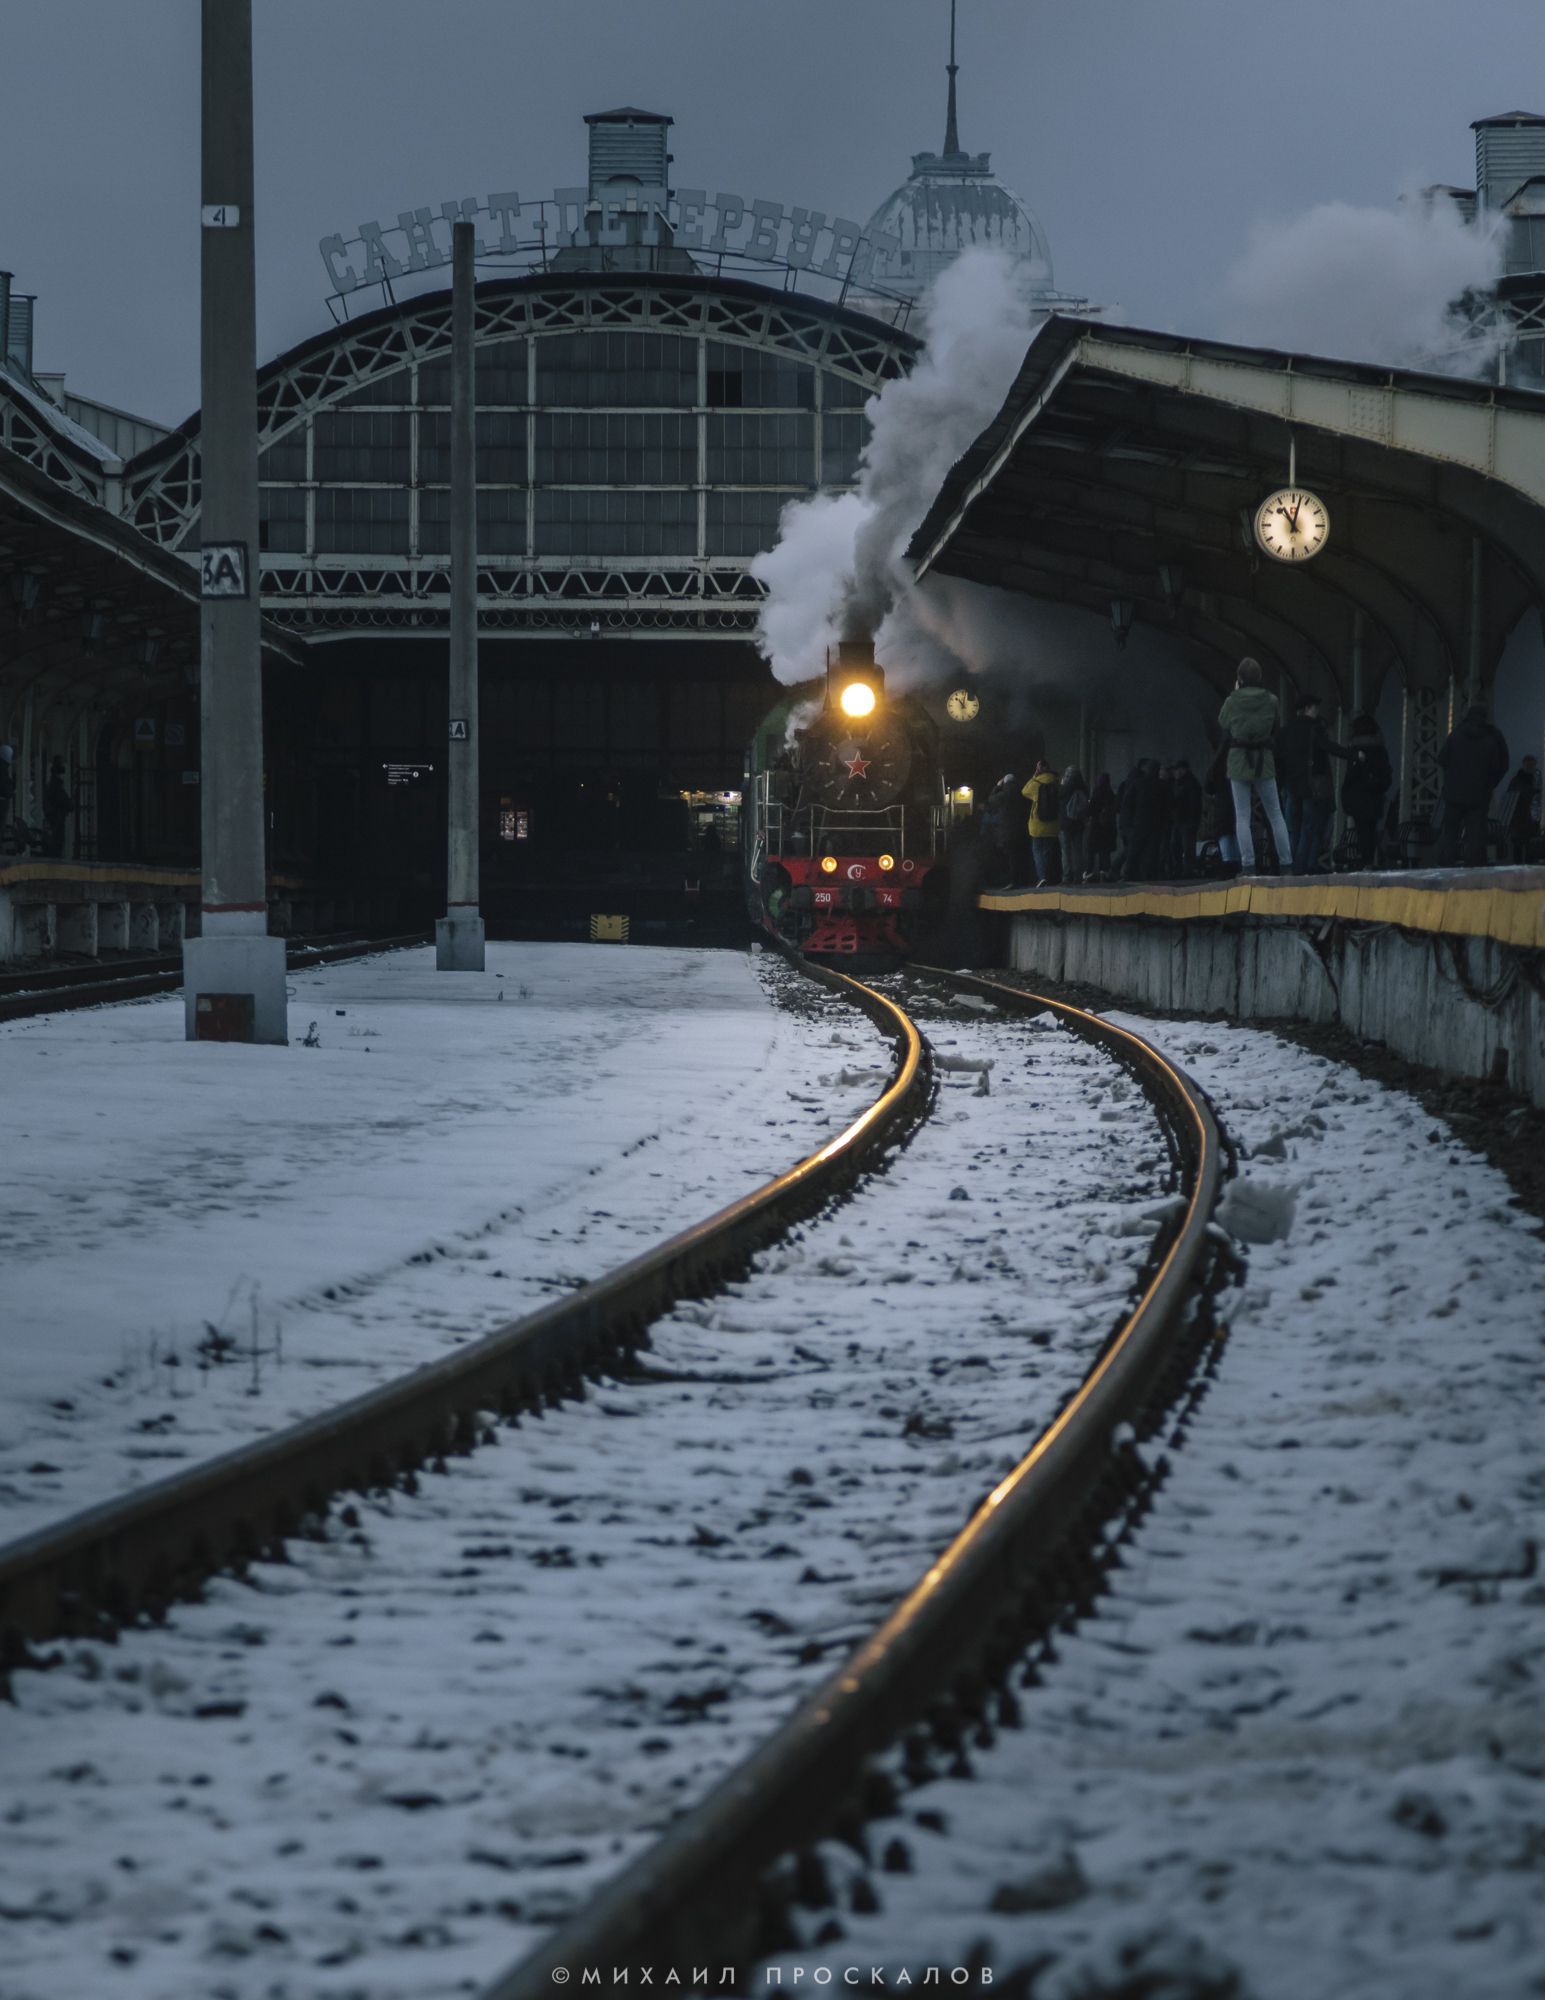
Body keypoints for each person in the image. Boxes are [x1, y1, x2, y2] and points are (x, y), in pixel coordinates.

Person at [1216, 658, 1291, 876]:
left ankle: (1248, 866)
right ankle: (1287, 863)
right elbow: (1276, 724)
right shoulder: (1272, 700)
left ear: (1239, 679)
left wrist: (1234, 693)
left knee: (1242, 816)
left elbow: (1223, 722)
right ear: (1259, 677)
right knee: (1275, 814)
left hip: (1239, 760)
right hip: (1264, 760)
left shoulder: (1232, 701)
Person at [1276, 694, 1355, 875]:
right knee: (1308, 828)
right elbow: (1329, 747)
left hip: (1290, 787)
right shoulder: (1314, 729)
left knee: (1292, 829)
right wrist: (1352, 755)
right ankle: (1300, 867)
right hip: (1310, 787)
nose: (1317, 711)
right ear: (1308, 709)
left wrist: (1280, 784)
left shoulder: (1285, 731)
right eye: (1315, 707)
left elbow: (1278, 760)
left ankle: (1288, 865)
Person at [1436, 703, 1509, 866]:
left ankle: (1447, 864)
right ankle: (1474, 867)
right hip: (1479, 795)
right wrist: (1489, 785)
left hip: (1453, 793)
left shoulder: (1455, 735)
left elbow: (1442, 759)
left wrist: (1449, 783)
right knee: (1475, 834)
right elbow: (1499, 766)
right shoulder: (1491, 739)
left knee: (1450, 833)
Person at [1339, 713, 1392, 868]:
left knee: (1362, 831)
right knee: (1371, 829)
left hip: (1358, 797)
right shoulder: (1380, 748)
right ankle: (1370, 861)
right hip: (1375, 796)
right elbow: (1386, 773)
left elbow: (1350, 776)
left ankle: (1365, 862)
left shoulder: (1355, 750)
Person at [1021, 761, 1061, 886]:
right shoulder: (1056, 782)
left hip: (1037, 825)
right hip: (1053, 825)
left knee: (1037, 852)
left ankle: (1042, 877)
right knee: (1048, 852)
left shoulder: (1035, 784)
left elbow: (1024, 791)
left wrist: (1034, 776)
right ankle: (1049, 876)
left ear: (1039, 769)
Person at [1119, 759, 1160, 880]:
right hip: (1154, 823)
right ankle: (1146, 874)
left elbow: (1127, 803)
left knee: (1133, 849)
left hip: (1137, 822)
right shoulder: (1161, 785)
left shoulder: (1136, 783)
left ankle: (1128, 873)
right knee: (1149, 851)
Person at [980, 772, 1020, 886]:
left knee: (1008, 857)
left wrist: (997, 786)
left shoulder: (1003, 795)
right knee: (1017, 856)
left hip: (1006, 830)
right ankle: (1019, 880)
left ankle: (1011, 881)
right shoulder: (1022, 793)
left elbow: (991, 799)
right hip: (1021, 829)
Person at [1501, 753, 1539, 864]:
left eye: (1532, 765)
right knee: (1521, 845)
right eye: (1529, 764)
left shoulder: (1520, 780)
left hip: (1525, 817)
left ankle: (1522, 867)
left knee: (1526, 846)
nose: (1530, 767)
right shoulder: (1525, 781)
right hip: (1521, 817)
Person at [1170, 758, 1203, 877]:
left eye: (1178, 769)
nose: (1176, 772)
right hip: (1180, 820)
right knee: (1177, 845)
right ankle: (1180, 869)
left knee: (1186, 846)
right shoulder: (1179, 783)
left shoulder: (1190, 784)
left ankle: (1187, 870)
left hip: (1187, 820)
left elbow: (1194, 805)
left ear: (1184, 770)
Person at [1059, 766, 1090, 885]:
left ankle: (1067, 877)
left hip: (1066, 824)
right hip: (1079, 823)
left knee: (1066, 852)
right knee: (1078, 851)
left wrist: (1062, 784)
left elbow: (1059, 799)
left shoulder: (1064, 788)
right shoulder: (1083, 788)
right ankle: (1078, 876)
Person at [1086, 773, 1118, 881]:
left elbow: (1090, 810)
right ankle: (1104, 872)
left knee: (1091, 851)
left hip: (1095, 827)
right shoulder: (1111, 794)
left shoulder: (1096, 793)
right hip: (1107, 828)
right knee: (1105, 852)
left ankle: (1089, 873)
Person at [42, 755, 73, 858]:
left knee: (53, 844)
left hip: (52, 818)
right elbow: (66, 802)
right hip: (57, 819)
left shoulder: (50, 786)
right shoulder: (56, 787)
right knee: (57, 844)